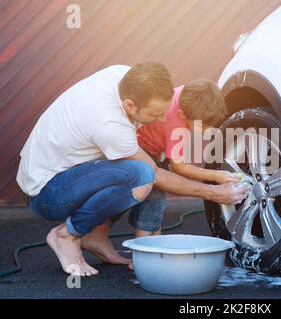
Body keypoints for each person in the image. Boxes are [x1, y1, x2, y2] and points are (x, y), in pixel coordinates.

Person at [16, 63, 248, 277]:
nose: (160, 120)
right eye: (156, 115)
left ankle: (97, 236)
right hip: (48, 194)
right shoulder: (110, 124)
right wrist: (214, 192)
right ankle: (67, 234)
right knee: (141, 176)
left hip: (58, 172)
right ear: (129, 105)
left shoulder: (123, 76)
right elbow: (154, 175)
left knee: (140, 175)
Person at [134, 79, 240, 238]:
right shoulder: (175, 125)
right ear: (182, 114)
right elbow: (178, 167)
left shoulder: (189, 96)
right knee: (154, 202)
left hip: (152, 148)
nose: (207, 132)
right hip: (140, 150)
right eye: (202, 127)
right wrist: (216, 175)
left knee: (154, 205)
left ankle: (155, 247)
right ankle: (140, 256)